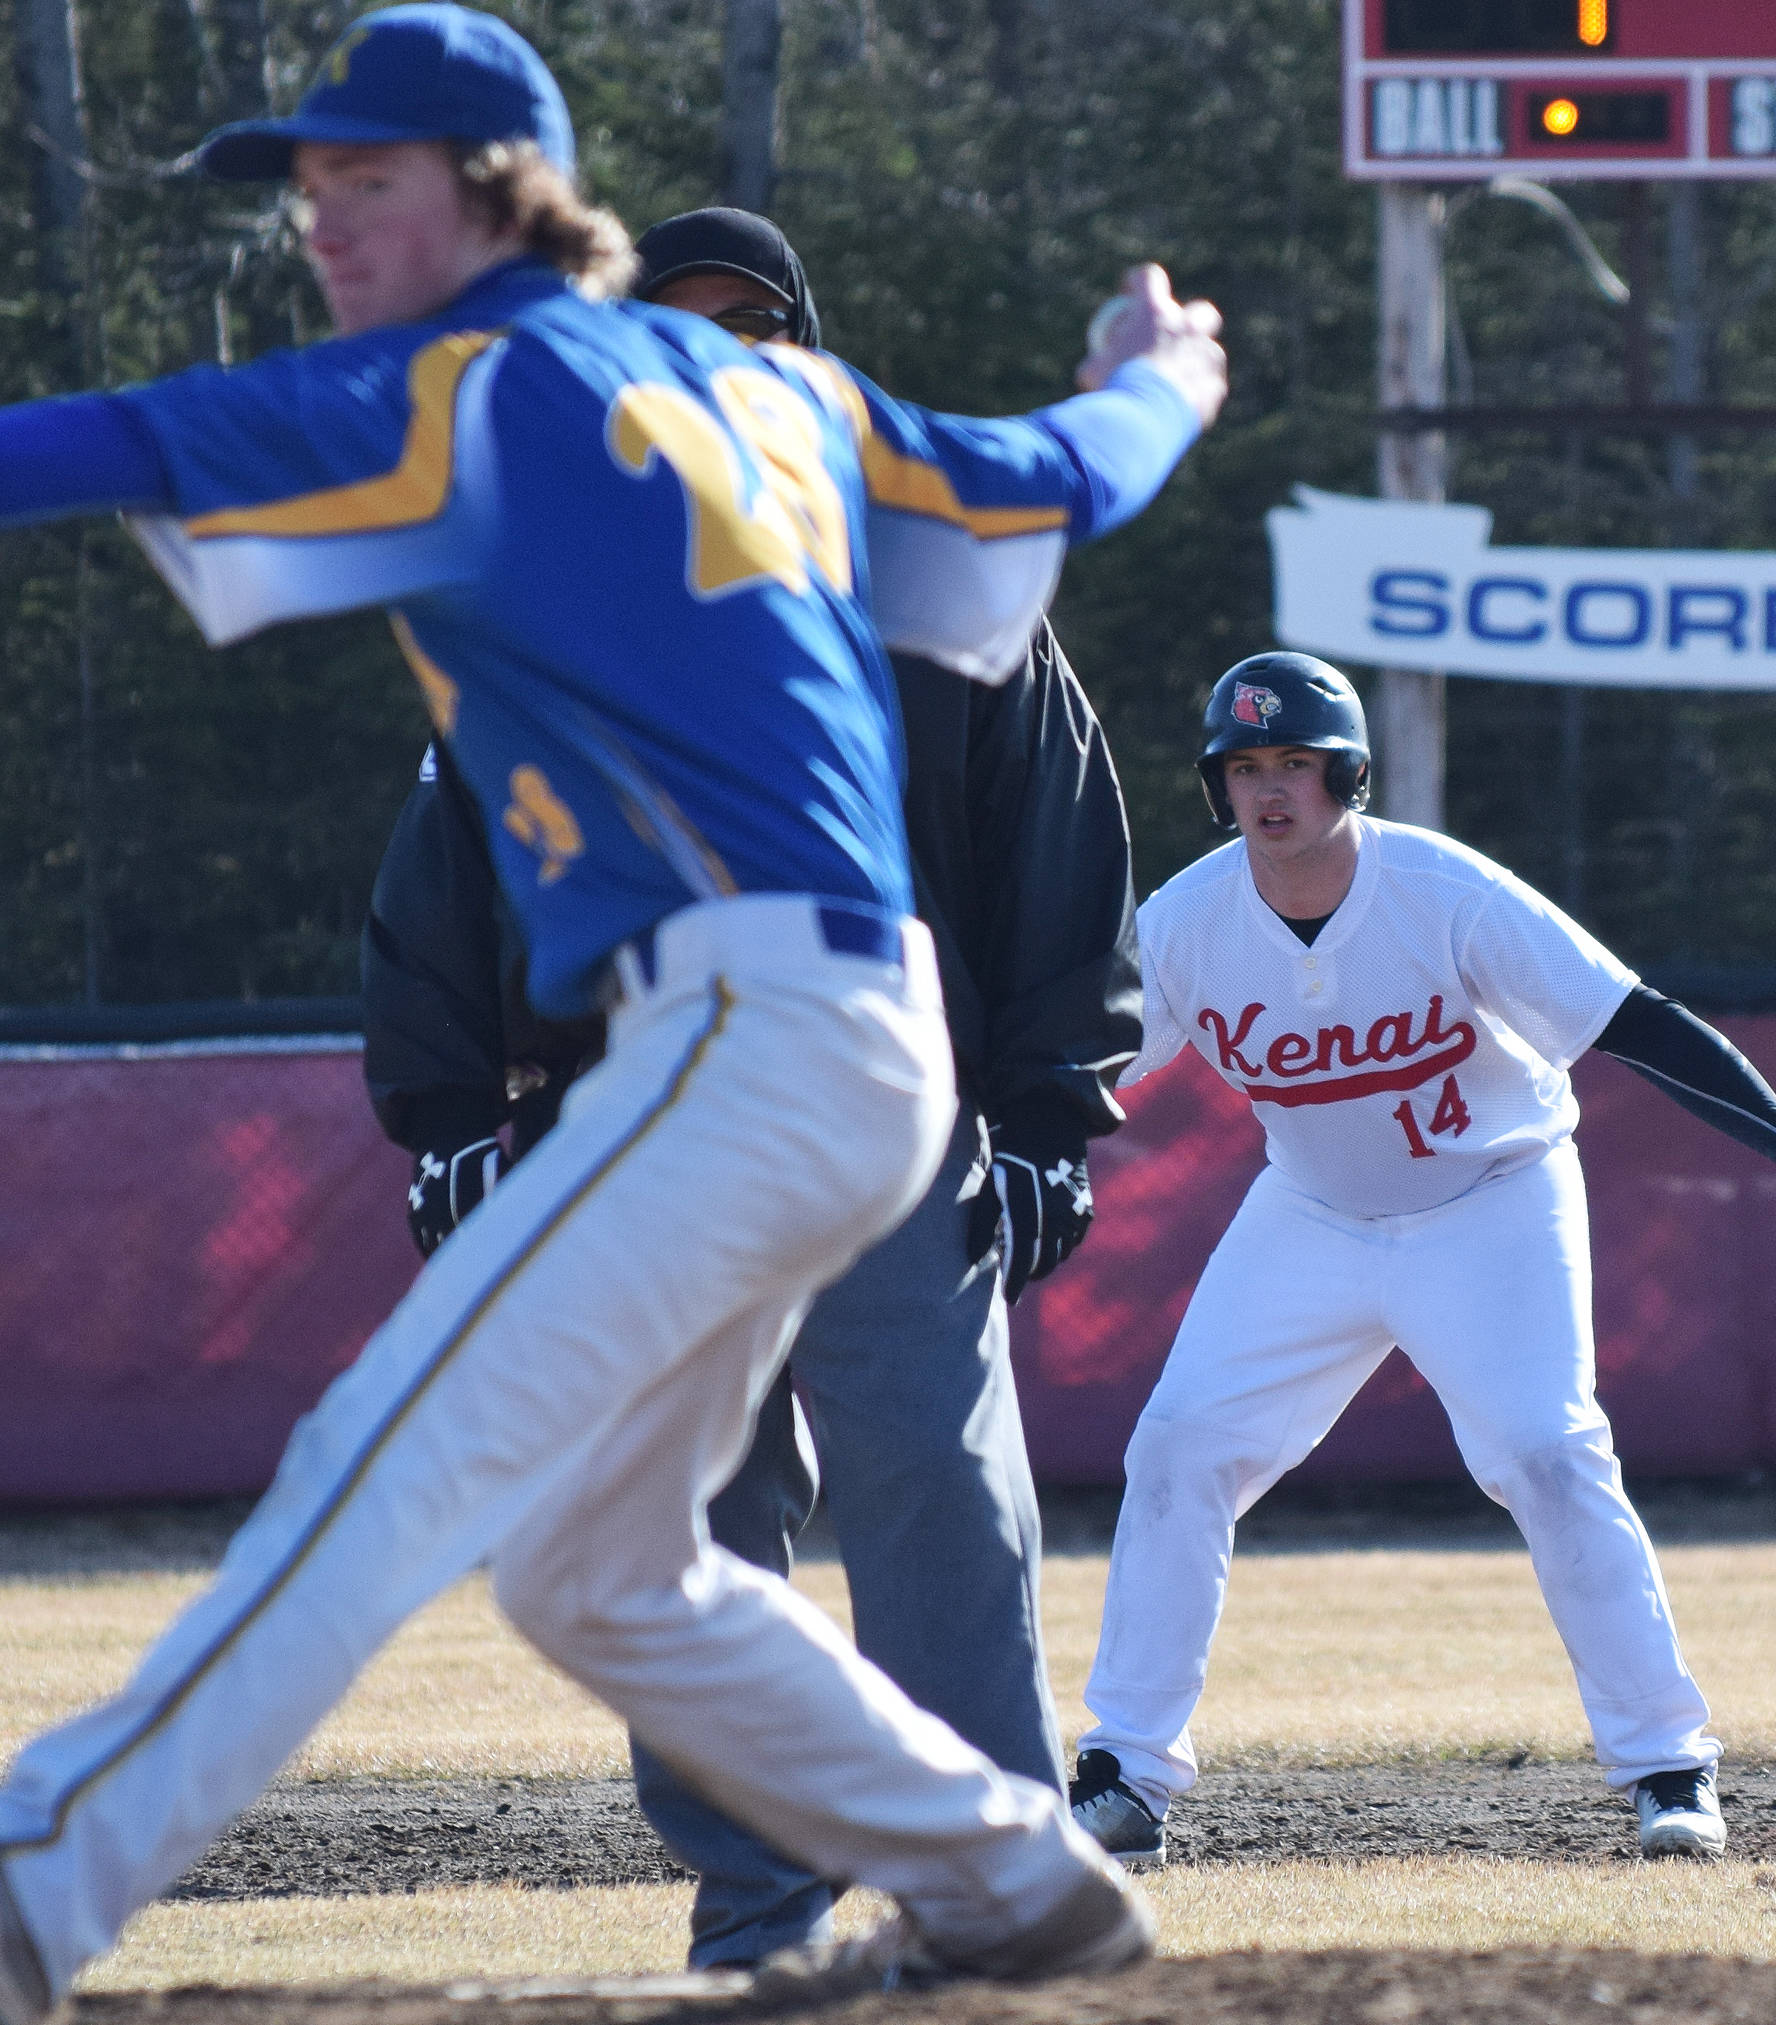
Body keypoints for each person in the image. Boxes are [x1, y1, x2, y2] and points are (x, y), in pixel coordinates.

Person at [0, 8, 1229, 2018]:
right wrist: (1162, 376)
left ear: (498, 189)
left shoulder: (462, 385)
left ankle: (36, 1886)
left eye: (359, 178)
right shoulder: (792, 402)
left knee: (378, 1463)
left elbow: (102, 443)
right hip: (838, 1040)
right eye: (305, 186)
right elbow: (1059, 474)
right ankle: (1017, 1875)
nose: (319, 219)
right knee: (598, 1563)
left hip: (744, 1033)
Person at [363, 204, 1143, 1967]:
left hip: (890, 1127)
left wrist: (1046, 1123)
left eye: (752, 328)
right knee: (683, 1537)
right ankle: (761, 1913)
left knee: (938, 1504)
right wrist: (448, 1126)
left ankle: (991, 1905)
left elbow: (1060, 873)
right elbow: (445, 873)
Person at [1064, 653, 1776, 1872]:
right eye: (1243, 766)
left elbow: (1630, 1018)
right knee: (1178, 1447)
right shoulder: (1190, 921)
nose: (1268, 789)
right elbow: (1082, 1064)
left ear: (1346, 774)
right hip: (1310, 1212)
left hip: (1490, 1202)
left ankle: (1665, 1768)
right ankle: (1123, 1778)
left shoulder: (1439, 889)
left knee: (1542, 1450)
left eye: (1293, 762)